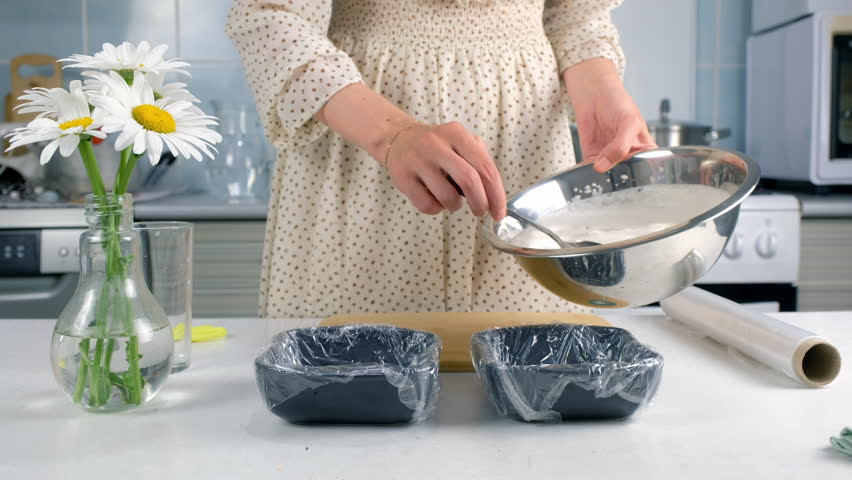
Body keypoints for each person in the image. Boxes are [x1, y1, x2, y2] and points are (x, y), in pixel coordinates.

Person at [226, 0, 655, 317]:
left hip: (526, 157)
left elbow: (576, 14)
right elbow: (269, 16)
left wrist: (600, 90)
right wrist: (391, 134)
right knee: (348, 393)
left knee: (534, 391)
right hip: (362, 159)